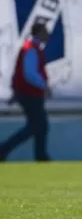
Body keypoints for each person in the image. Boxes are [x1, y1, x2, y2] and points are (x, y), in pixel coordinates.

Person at [0, 22, 52, 162]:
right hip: (30, 94)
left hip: (28, 93)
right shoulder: (31, 49)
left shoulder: (31, 48)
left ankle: (41, 156)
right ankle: (3, 149)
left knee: (39, 125)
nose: (47, 34)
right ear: (39, 33)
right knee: (37, 125)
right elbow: (29, 73)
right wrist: (44, 86)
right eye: (45, 32)